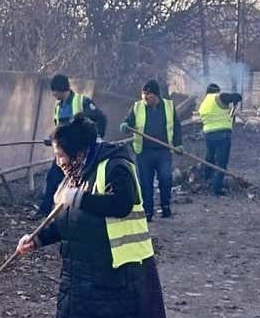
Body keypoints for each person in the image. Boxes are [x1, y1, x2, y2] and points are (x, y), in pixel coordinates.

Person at [17, 115, 170, 318]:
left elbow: (123, 204)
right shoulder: (74, 174)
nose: (58, 162)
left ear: (78, 152)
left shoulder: (115, 165)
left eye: (61, 155)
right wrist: (36, 240)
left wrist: (79, 198)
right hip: (78, 265)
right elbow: (64, 222)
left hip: (117, 264)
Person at [38, 74, 107, 217]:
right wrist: (52, 139)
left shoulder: (82, 102)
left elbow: (101, 119)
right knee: (52, 178)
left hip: (79, 152)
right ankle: (45, 210)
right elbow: (60, 128)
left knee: (78, 181)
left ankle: (74, 211)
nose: (53, 94)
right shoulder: (58, 106)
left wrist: (96, 138)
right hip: (63, 152)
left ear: (61, 89)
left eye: (54, 91)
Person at [122, 79, 183, 221]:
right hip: (144, 152)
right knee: (145, 183)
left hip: (164, 151)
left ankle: (166, 207)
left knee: (165, 178)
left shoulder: (169, 106)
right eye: (144, 96)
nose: (145, 99)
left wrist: (178, 144)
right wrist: (125, 125)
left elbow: (176, 126)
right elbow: (128, 122)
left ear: (156, 95)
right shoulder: (137, 107)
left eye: (148, 96)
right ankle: (148, 212)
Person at [196, 83, 243, 196]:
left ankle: (207, 179)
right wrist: (235, 100)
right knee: (221, 163)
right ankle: (216, 189)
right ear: (217, 91)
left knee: (210, 158)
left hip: (208, 135)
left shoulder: (203, 104)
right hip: (222, 134)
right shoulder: (218, 97)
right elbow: (236, 96)